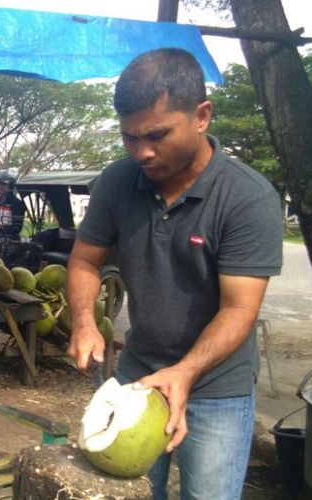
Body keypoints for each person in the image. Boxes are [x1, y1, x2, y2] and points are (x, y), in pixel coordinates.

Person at [65, 48, 282, 499]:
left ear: (202, 116)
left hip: (216, 386)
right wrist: (85, 322)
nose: (142, 152)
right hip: (137, 374)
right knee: (127, 491)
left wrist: (184, 373)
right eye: (129, 138)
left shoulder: (246, 198)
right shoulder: (117, 183)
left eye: (157, 135)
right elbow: (85, 261)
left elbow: (239, 309)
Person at [0, 171, 25, 237]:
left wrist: (1, 227)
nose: (0, 186)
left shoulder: (17, 203)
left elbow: (17, 228)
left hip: (9, 238)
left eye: (3, 184)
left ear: (10, 186)